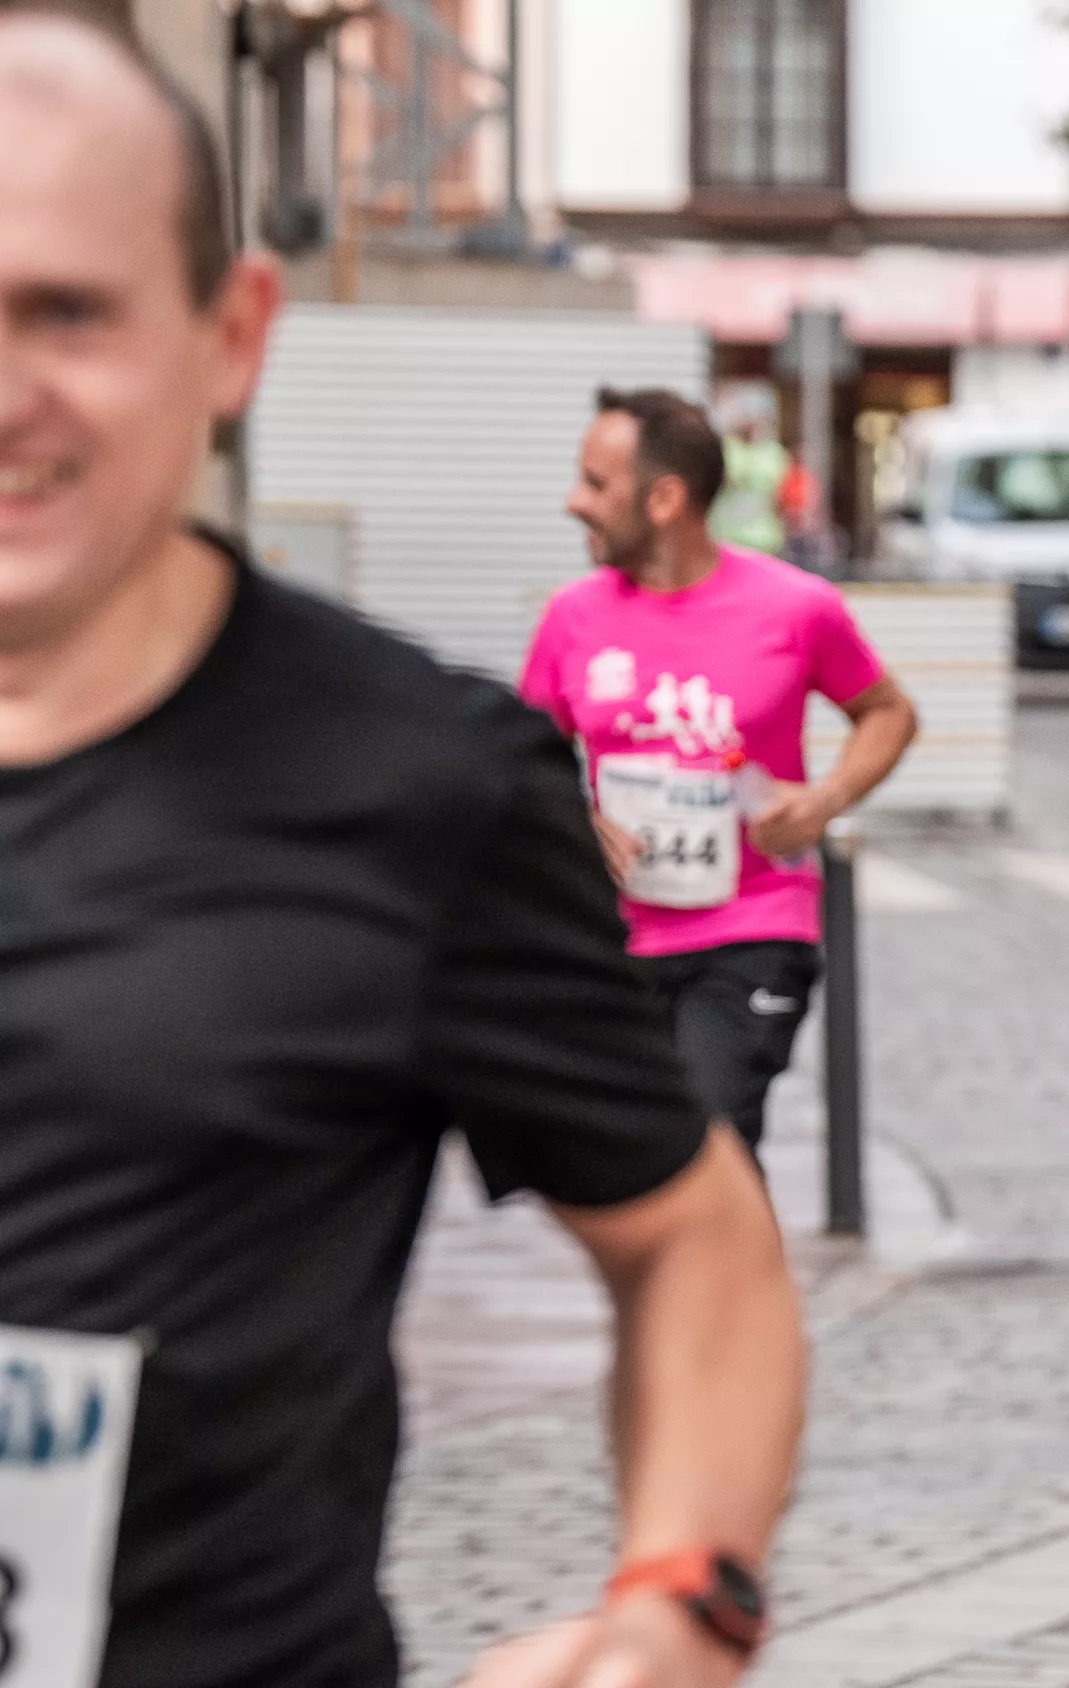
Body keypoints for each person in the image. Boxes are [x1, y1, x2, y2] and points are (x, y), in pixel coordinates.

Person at [0, 12, 805, 1687]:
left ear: (231, 336)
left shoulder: (414, 786)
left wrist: (678, 1599)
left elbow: (695, 1241)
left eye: (62, 313)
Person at [522, 388, 920, 1167]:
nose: (574, 504)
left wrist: (827, 797)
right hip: (615, 940)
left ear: (665, 498)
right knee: (643, 1170)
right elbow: (522, 761)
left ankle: (728, 1285)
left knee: (713, 1145)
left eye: (595, 484)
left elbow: (888, 712)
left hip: (753, 928)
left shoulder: (795, 607)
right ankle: (738, 1291)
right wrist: (571, 818)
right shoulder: (572, 618)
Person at [710, 391, 791, 556]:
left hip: (765, 539)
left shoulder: (774, 453)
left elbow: (779, 497)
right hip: (727, 537)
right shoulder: (726, 448)